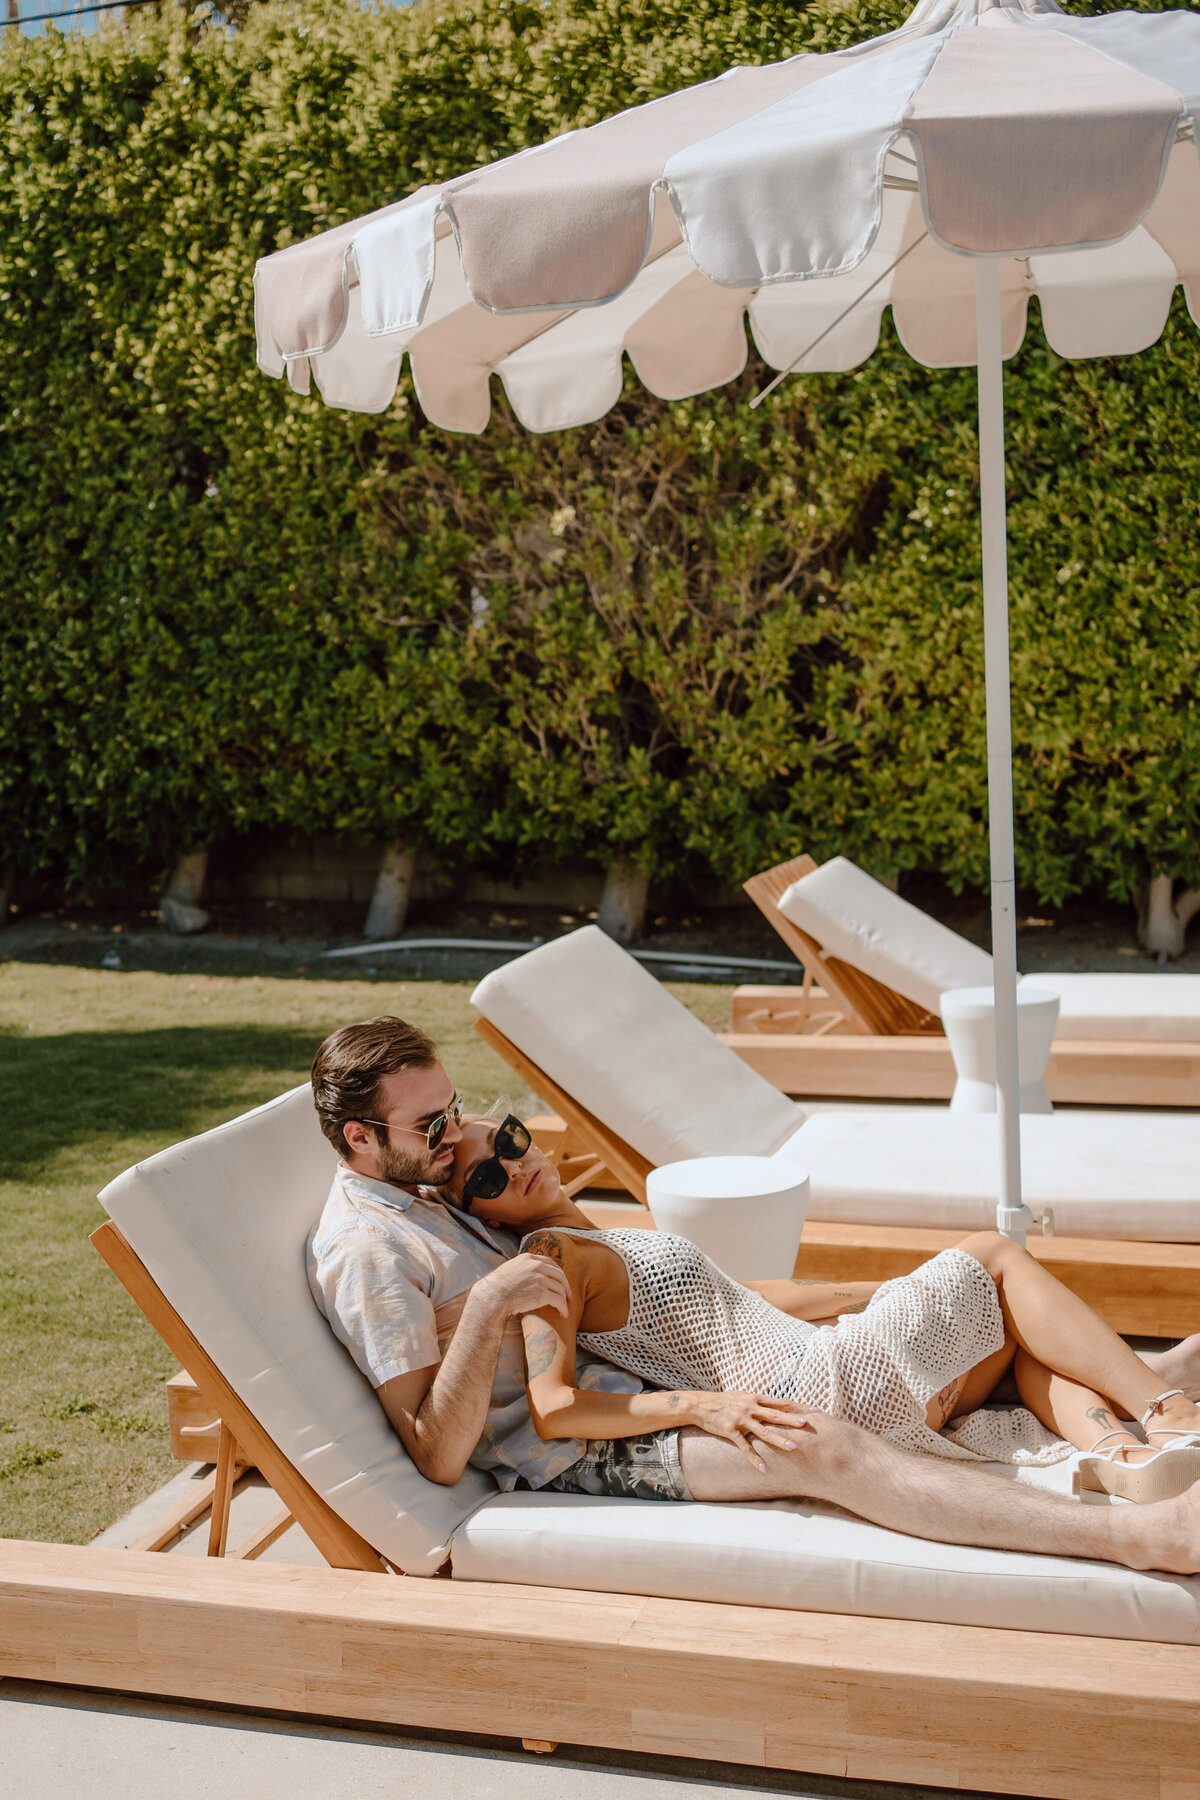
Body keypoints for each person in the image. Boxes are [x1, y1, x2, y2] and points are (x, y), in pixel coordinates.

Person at [307, 1016, 1200, 1575]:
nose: (456, 1138)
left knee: (989, 1348)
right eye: (431, 1127)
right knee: (826, 1441)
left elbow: (654, 1291)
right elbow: (435, 1450)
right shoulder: (366, 1249)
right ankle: (1141, 1526)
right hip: (567, 1449)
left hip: (635, 1394)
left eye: (459, 1113)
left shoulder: (423, 1183)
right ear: (358, 1136)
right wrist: (500, 1299)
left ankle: (1143, 1416)